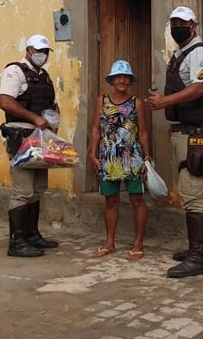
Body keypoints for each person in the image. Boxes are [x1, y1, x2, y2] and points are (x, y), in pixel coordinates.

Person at [147, 5, 203, 278]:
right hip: (185, 131)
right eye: (173, 22)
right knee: (195, 190)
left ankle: (197, 258)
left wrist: (164, 102)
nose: (177, 27)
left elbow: (202, 86)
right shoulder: (180, 55)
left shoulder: (201, 53)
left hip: (197, 134)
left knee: (193, 193)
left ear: (193, 26)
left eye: (182, 22)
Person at [0, 34, 60, 257]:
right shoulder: (14, 71)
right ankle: (17, 242)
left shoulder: (44, 76)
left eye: (45, 51)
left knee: (38, 189)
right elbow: (5, 101)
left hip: (41, 138)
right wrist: (34, 118)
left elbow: (52, 103)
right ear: (28, 50)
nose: (42, 55)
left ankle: (32, 235)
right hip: (21, 136)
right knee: (23, 190)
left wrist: (54, 121)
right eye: (38, 50)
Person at [89, 60, 150, 261]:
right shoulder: (102, 101)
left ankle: (138, 243)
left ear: (130, 80)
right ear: (112, 79)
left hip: (132, 158)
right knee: (111, 201)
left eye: (126, 77)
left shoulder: (136, 103)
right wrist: (93, 154)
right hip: (108, 159)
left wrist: (147, 158)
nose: (122, 80)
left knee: (137, 200)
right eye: (119, 76)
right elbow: (96, 129)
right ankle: (109, 242)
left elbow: (142, 132)